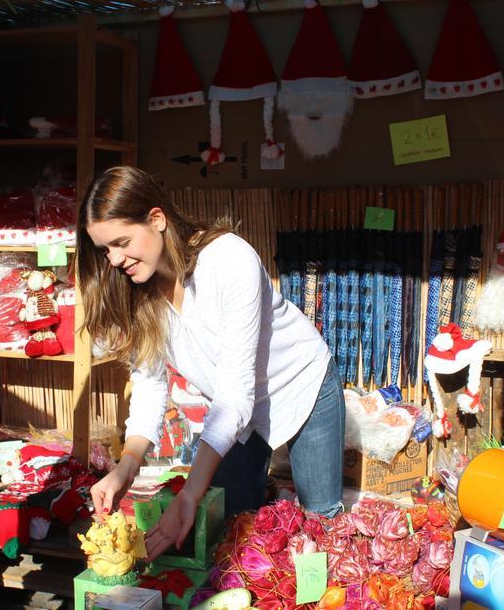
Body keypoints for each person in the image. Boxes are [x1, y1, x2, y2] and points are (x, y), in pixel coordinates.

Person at [76, 166, 344, 560]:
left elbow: (235, 395)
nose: (114, 260)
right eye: (105, 250)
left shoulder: (228, 260)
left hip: (301, 386)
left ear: (157, 219)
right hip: (236, 415)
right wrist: (125, 468)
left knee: (321, 528)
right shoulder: (139, 289)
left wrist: (190, 492)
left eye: (121, 242)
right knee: (234, 530)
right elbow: (150, 385)